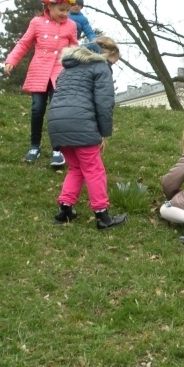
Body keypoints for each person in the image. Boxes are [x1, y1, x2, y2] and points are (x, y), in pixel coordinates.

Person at [46, 37, 126, 230]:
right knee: (94, 169)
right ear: (107, 54)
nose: (111, 66)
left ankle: (65, 209)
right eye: (112, 62)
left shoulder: (68, 68)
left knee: (76, 168)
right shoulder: (100, 67)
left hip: (57, 123)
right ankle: (102, 216)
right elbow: (104, 103)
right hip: (81, 122)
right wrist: (103, 133)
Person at [5, 0, 79, 167]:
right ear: (49, 6)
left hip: (60, 72)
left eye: (67, 10)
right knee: (37, 109)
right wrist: (11, 61)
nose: (64, 14)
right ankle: (34, 145)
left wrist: (77, 68)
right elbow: (24, 43)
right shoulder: (37, 23)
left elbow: (74, 48)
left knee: (57, 111)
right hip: (39, 71)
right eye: (61, 10)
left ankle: (57, 149)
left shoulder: (71, 26)